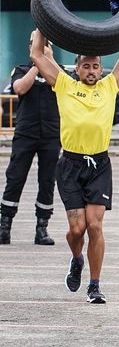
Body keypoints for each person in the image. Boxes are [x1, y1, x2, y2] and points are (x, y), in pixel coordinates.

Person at [29, 29, 119, 303]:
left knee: (95, 227)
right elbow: (37, 54)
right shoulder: (64, 84)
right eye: (86, 66)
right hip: (71, 165)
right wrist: (41, 24)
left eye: (95, 66)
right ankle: (77, 258)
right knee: (77, 229)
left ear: (101, 69)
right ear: (76, 69)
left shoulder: (109, 86)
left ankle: (94, 286)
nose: (91, 70)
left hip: (99, 165)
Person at [0, 36, 61, 246]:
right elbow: (19, 88)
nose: (41, 47)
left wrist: (48, 61)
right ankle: (5, 226)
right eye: (36, 44)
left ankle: (41, 228)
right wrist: (37, 64)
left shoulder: (58, 71)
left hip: (51, 135)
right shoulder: (21, 69)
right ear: (30, 47)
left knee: (47, 181)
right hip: (26, 133)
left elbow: (63, 84)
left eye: (45, 44)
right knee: (15, 178)